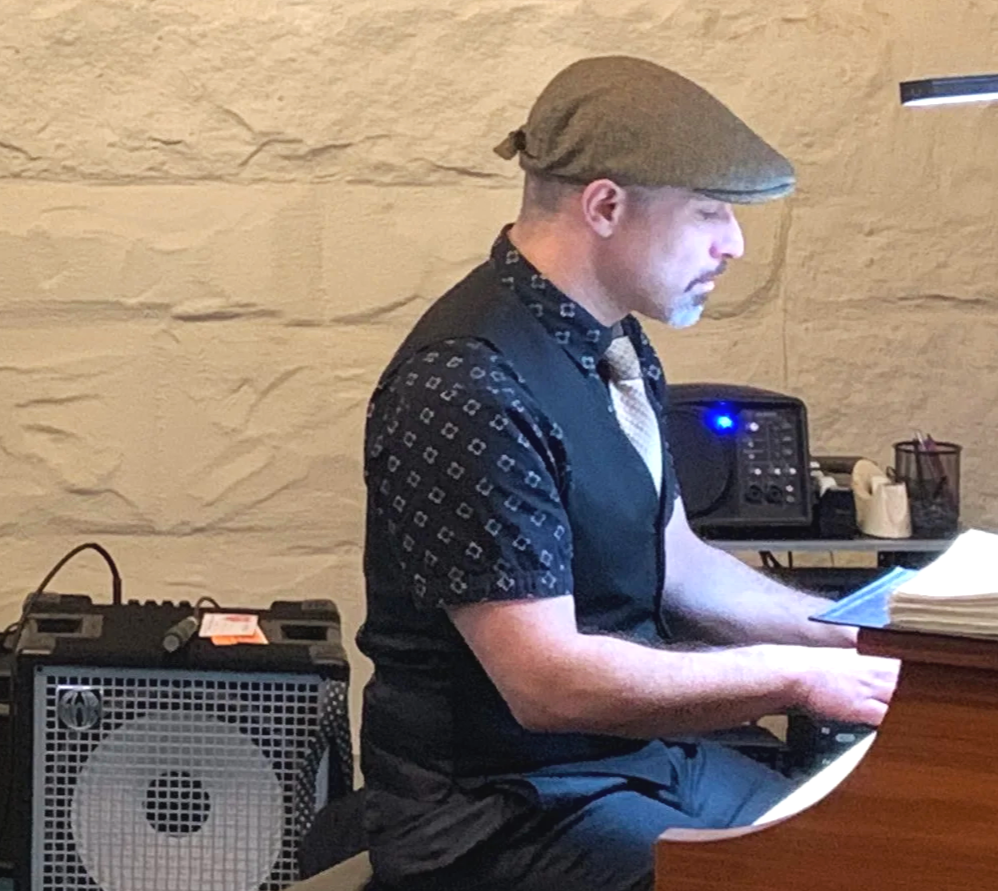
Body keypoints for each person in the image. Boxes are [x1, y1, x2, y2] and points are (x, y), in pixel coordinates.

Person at [350, 57, 898, 891]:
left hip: (635, 765)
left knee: (879, 851)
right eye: (709, 211)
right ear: (604, 206)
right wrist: (798, 677)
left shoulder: (613, 341)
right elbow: (546, 683)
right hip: (498, 814)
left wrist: (870, 634)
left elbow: (677, 563)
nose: (734, 243)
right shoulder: (467, 382)